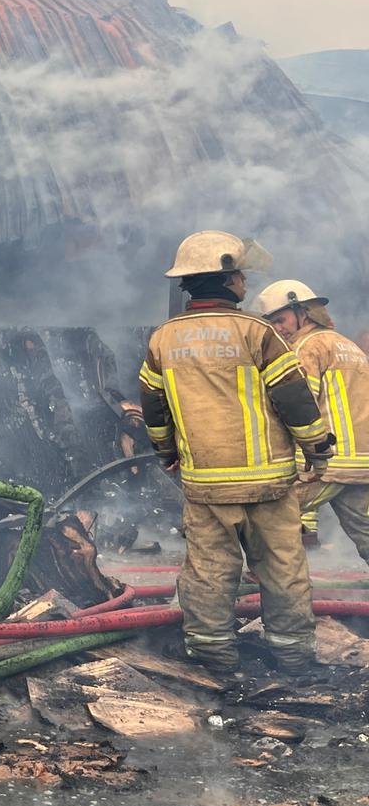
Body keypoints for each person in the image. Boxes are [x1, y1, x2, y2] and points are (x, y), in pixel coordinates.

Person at [138, 232, 333, 676]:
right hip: (268, 483)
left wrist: (166, 450)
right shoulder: (256, 332)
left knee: (209, 571)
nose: (245, 281)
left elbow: (153, 404)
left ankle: (213, 660)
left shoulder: (163, 340)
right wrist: (316, 448)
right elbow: (294, 398)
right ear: (227, 280)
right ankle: (294, 659)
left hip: (206, 485)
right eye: (241, 274)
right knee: (282, 568)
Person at [256, 279, 369, 559]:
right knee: (365, 531)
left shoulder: (305, 348)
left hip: (327, 461)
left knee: (267, 519)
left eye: (281, 320)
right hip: (361, 462)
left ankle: (265, 582)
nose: (278, 329)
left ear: (302, 312)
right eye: (273, 323)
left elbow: (301, 408)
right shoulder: (346, 345)